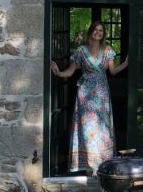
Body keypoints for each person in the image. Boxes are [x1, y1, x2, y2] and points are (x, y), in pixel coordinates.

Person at [50, 21, 128, 173]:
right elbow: (71, 71)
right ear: (91, 32)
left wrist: (126, 63)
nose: (98, 33)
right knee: (87, 129)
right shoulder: (81, 51)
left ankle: (103, 164)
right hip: (85, 95)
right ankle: (89, 166)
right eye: (96, 30)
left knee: (102, 129)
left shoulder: (107, 50)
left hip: (102, 96)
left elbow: (112, 71)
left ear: (103, 34)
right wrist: (58, 73)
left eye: (101, 31)